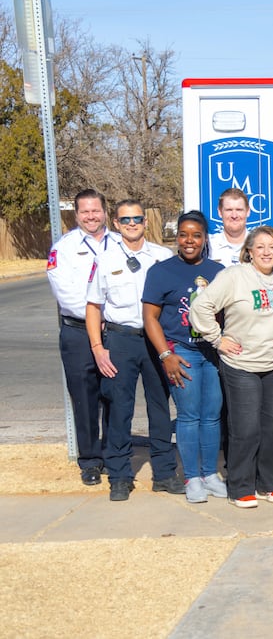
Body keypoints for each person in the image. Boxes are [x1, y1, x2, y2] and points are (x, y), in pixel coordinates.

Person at [85, 200, 181, 502]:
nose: (132, 224)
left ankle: (164, 473)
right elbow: (93, 307)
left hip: (156, 340)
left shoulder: (163, 257)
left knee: (160, 408)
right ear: (116, 223)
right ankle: (119, 476)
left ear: (145, 222)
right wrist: (98, 348)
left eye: (137, 219)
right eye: (125, 219)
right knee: (119, 409)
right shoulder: (105, 259)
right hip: (120, 339)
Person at [190, 226, 273, 509]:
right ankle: (241, 486)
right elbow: (201, 307)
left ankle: (271, 484)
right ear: (248, 251)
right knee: (245, 428)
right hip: (241, 363)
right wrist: (217, 339)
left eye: (272, 246)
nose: (267, 252)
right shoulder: (234, 276)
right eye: (260, 247)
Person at [143, 210, 227, 504]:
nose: (189, 240)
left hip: (211, 353)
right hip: (181, 352)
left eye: (196, 235)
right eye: (183, 234)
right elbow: (150, 317)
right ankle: (191, 477)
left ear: (205, 238)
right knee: (189, 416)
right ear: (176, 237)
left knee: (212, 416)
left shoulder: (219, 271)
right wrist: (166, 354)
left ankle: (210, 475)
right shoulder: (161, 271)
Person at [47, 188, 115, 485]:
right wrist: (95, 318)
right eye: (85, 211)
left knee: (115, 395)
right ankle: (90, 460)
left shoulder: (120, 244)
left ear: (104, 212)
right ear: (76, 215)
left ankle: (115, 454)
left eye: (95, 210)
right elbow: (67, 293)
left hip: (114, 331)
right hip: (77, 332)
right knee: (85, 398)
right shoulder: (63, 248)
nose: (91, 216)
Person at [209, 187, 249, 267]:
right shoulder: (209, 245)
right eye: (229, 210)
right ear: (220, 212)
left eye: (239, 210)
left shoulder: (258, 244)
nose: (234, 215)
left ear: (248, 212)